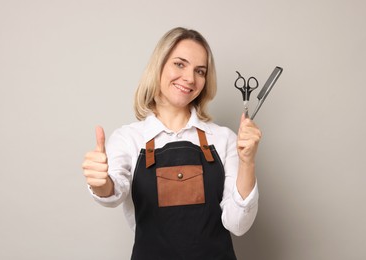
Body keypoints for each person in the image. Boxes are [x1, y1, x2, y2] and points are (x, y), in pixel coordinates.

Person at [82, 27, 261, 259]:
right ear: (159, 66)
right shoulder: (128, 139)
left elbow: (238, 224)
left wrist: (247, 162)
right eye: (179, 64)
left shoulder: (224, 139)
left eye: (200, 71)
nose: (189, 78)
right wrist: (100, 182)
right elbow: (113, 192)